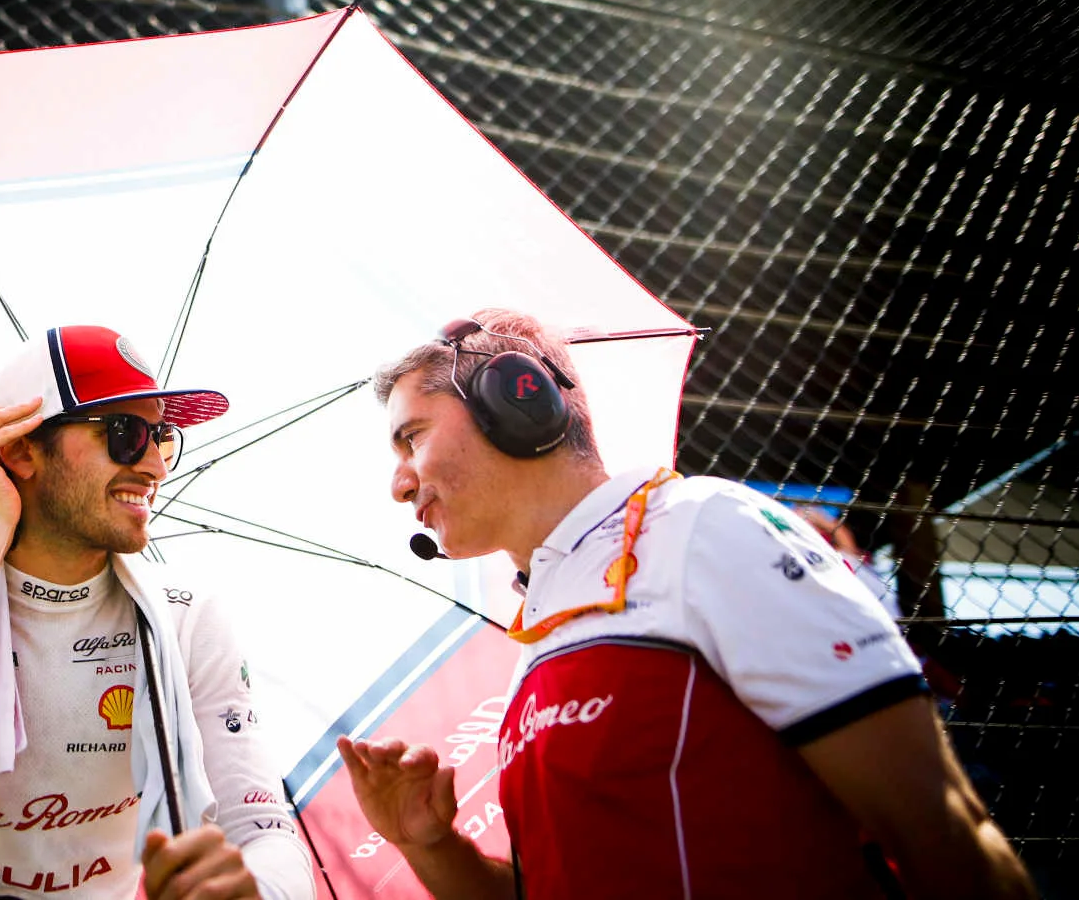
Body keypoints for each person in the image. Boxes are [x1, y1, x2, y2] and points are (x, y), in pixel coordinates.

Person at [337, 309, 1034, 899]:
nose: (399, 484)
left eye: (412, 436)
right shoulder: (537, 643)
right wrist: (432, 844)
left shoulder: (703, 528)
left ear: (516, 400)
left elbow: (940, 826)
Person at [0, 325, 314, 900]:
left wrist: (255, 891)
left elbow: (264, 830)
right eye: (124, 433)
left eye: (162, 437)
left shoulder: (186, 620)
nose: (155, 466)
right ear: (19, 451)